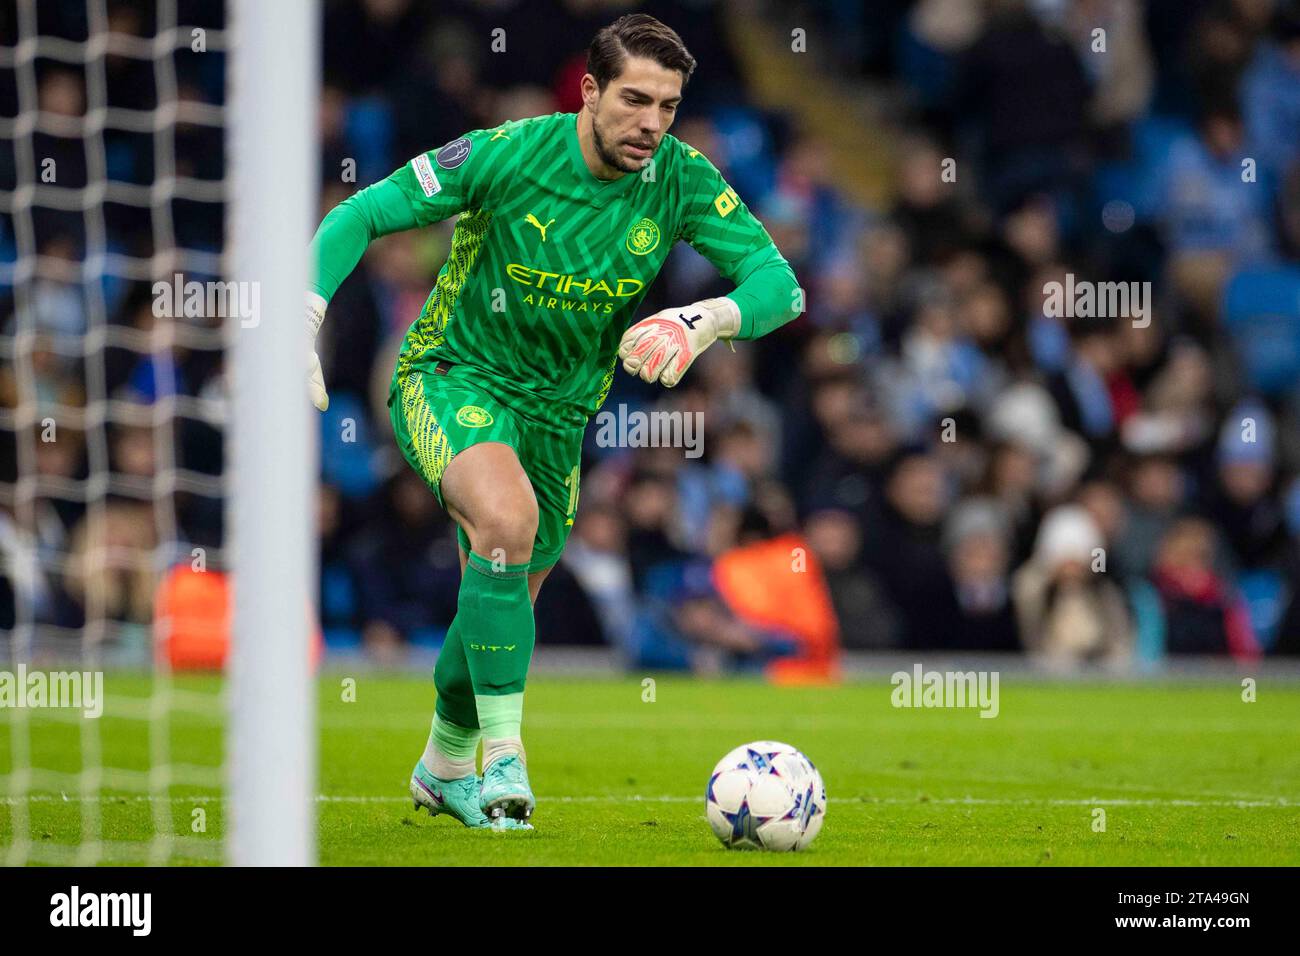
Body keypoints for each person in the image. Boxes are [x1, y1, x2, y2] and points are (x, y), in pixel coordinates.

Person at [304, 14, 799, 830]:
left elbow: (778, 284)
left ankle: (441, 765)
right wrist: (305, 308)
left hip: (559, 420)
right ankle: (505, 756)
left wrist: (701, 321)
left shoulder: (679, 179)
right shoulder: (508, 153)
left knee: (498, 592)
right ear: (591, 90)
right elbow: (365, 212)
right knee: (504, 521)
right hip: (450, 376)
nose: (651, 122)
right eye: (635, 99)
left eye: (668, 106)